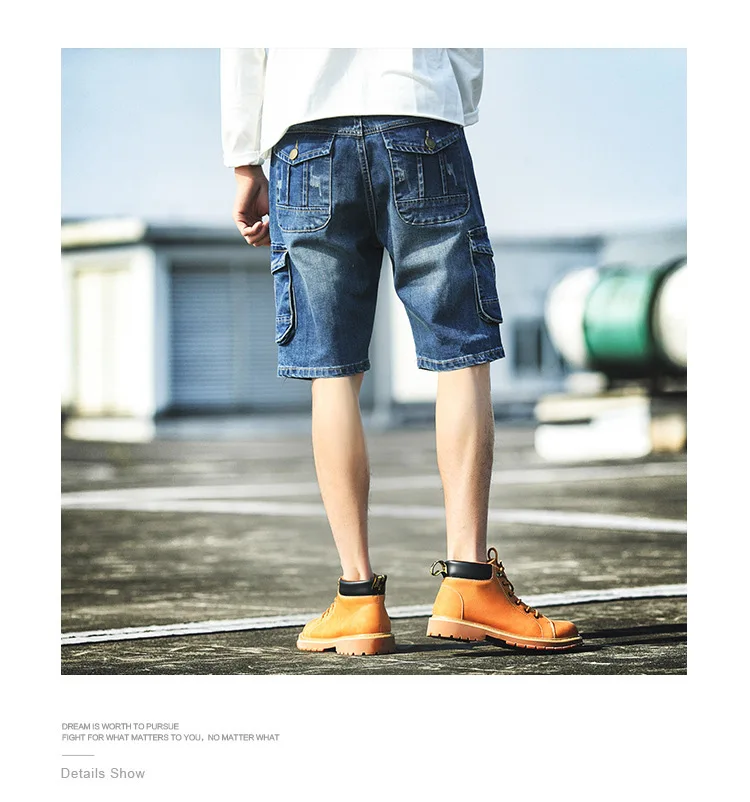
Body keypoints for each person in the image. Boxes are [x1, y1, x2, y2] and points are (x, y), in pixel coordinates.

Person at [221, 48, 582, 655]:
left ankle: (358, 599)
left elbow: (243, 42)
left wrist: (243, 159)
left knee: (332, 372)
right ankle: (469, 584)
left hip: (304, 134)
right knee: (461, 352)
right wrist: (450, 98)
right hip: (418, 115)